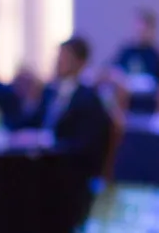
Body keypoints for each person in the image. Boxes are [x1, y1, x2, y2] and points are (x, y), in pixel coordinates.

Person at [24, 37, 112, 228]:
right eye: (58, 56)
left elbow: (88, 145)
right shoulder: (49, 91)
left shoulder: (89, 99)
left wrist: (50, 142)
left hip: (70, 173)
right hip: (41, 165)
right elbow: (31, 122)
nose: (58, 62)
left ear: (80, 62)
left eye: (64, 57)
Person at [112, 8, 159, 83]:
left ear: (152, 30)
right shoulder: (125, 53)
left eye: (145, 28)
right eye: (138, 27)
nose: (141, 31)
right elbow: (113, 71)